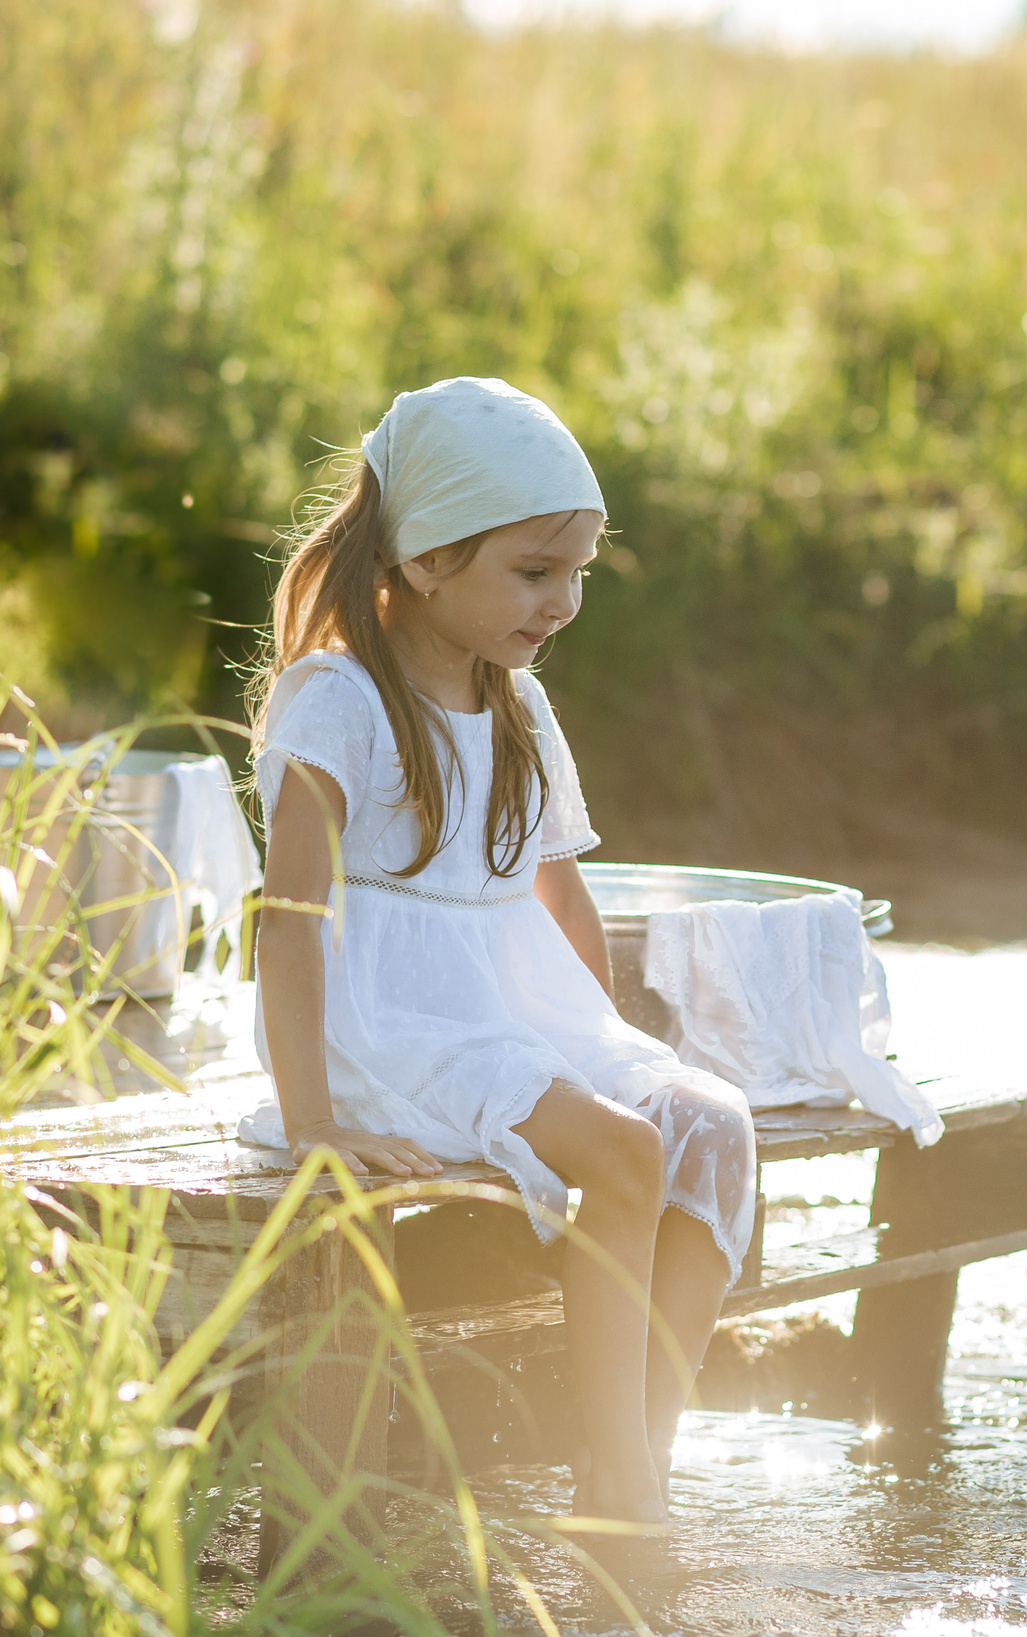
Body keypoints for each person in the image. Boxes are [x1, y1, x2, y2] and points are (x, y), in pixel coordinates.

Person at [243, 377, 754, 1524]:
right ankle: (624, 1488)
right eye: (533, 571)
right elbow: (289, 915)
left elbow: (559, 896)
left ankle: (632, 1456)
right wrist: (312, 1120)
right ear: (429, 557)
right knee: (622, 1151)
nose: (562, 601)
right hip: (386, 1016)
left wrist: (604, 1051)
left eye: (578, 572)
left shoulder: (516, 704)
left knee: (709, 1123)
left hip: (510, 1005)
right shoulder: (338, 697)